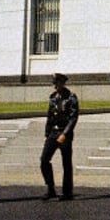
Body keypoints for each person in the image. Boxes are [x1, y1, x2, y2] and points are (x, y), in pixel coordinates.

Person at [40, 72, 79, 201]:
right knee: (44, 160)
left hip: (64, 133)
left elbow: (73, 118)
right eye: (54, 84)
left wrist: (65, 134)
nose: (55, 86)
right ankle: (50, 188)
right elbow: (50, 116)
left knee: (66, 163)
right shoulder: (52, 98)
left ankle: (67, 192)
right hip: (53, 133)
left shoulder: (71, 98)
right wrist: (47, 133)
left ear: (62, 83)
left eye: (57, 83)